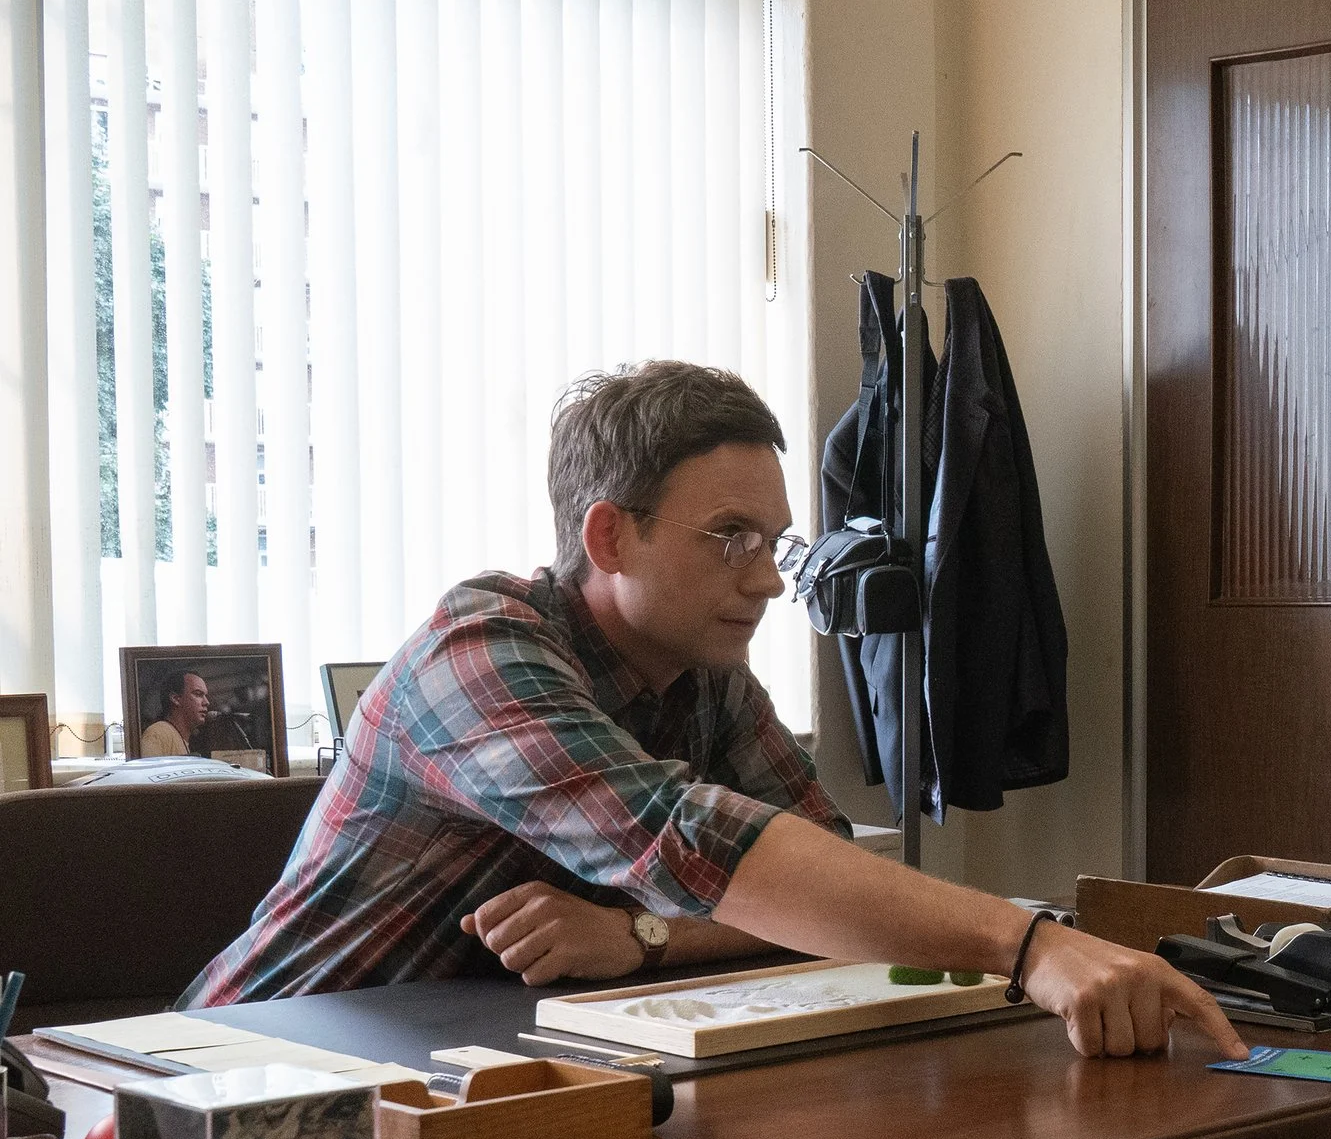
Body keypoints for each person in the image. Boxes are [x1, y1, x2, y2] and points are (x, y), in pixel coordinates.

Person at [183, 361, 1246, 1064]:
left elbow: (818, 876)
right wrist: (1030, 945)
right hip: (245, 1062)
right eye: (730, 536)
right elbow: (686, 837)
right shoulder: (481, 652)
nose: (770, 580)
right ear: (609, 537)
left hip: (460, 1064)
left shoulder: (706, 677)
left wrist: (642, 937)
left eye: (771, 542)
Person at [140, 672, 211, 757]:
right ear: (175, 699)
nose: (207, 702)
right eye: (198, 694)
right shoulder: (158, 733)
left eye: (205, 696)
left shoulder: (175, 736)